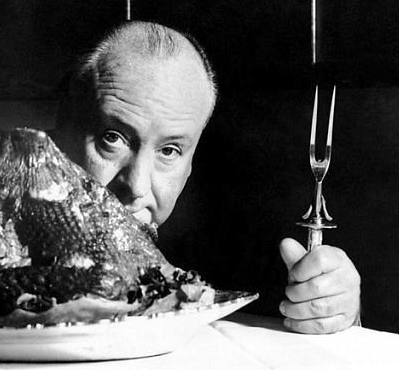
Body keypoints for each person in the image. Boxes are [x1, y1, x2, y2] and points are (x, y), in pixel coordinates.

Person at [52, 20, 361, 334]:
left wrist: (334, 305)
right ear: (62, 136)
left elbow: (316, 317)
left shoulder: (231, 249)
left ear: (190, 163)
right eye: (113, 138)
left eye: (169, 150)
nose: (137, 186)